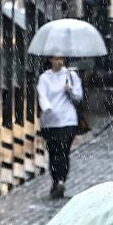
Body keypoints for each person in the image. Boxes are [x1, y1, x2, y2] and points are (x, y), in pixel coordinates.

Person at [37, 55, 84, 198]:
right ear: (50, 60)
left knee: (63, 151)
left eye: (61, 58)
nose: (59, 61)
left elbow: (79, 96)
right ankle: (56, 180)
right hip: (50, 121)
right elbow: (42, 96)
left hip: (67, 120)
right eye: (56, 58)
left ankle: (61, 180)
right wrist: (47, 107)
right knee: (53, 152)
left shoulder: (71, 75)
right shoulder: (45, 78)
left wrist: (69, 90)